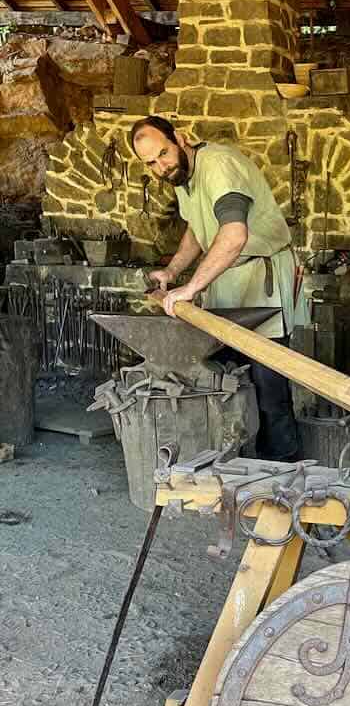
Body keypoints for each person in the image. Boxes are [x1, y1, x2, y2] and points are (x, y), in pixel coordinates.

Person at [130, 115, 305, 461]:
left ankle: (283, 470)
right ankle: (237, 461)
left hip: (260, 282)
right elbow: (198, 229)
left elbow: (234, 235)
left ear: (180, 138)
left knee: (269, 385)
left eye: (163, 154)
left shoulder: (219, 166)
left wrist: (191, 288)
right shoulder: (183, 178)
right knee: (230, 376)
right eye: (150, 163)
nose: (161, 167)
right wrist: (172, 271)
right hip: (228, 283)